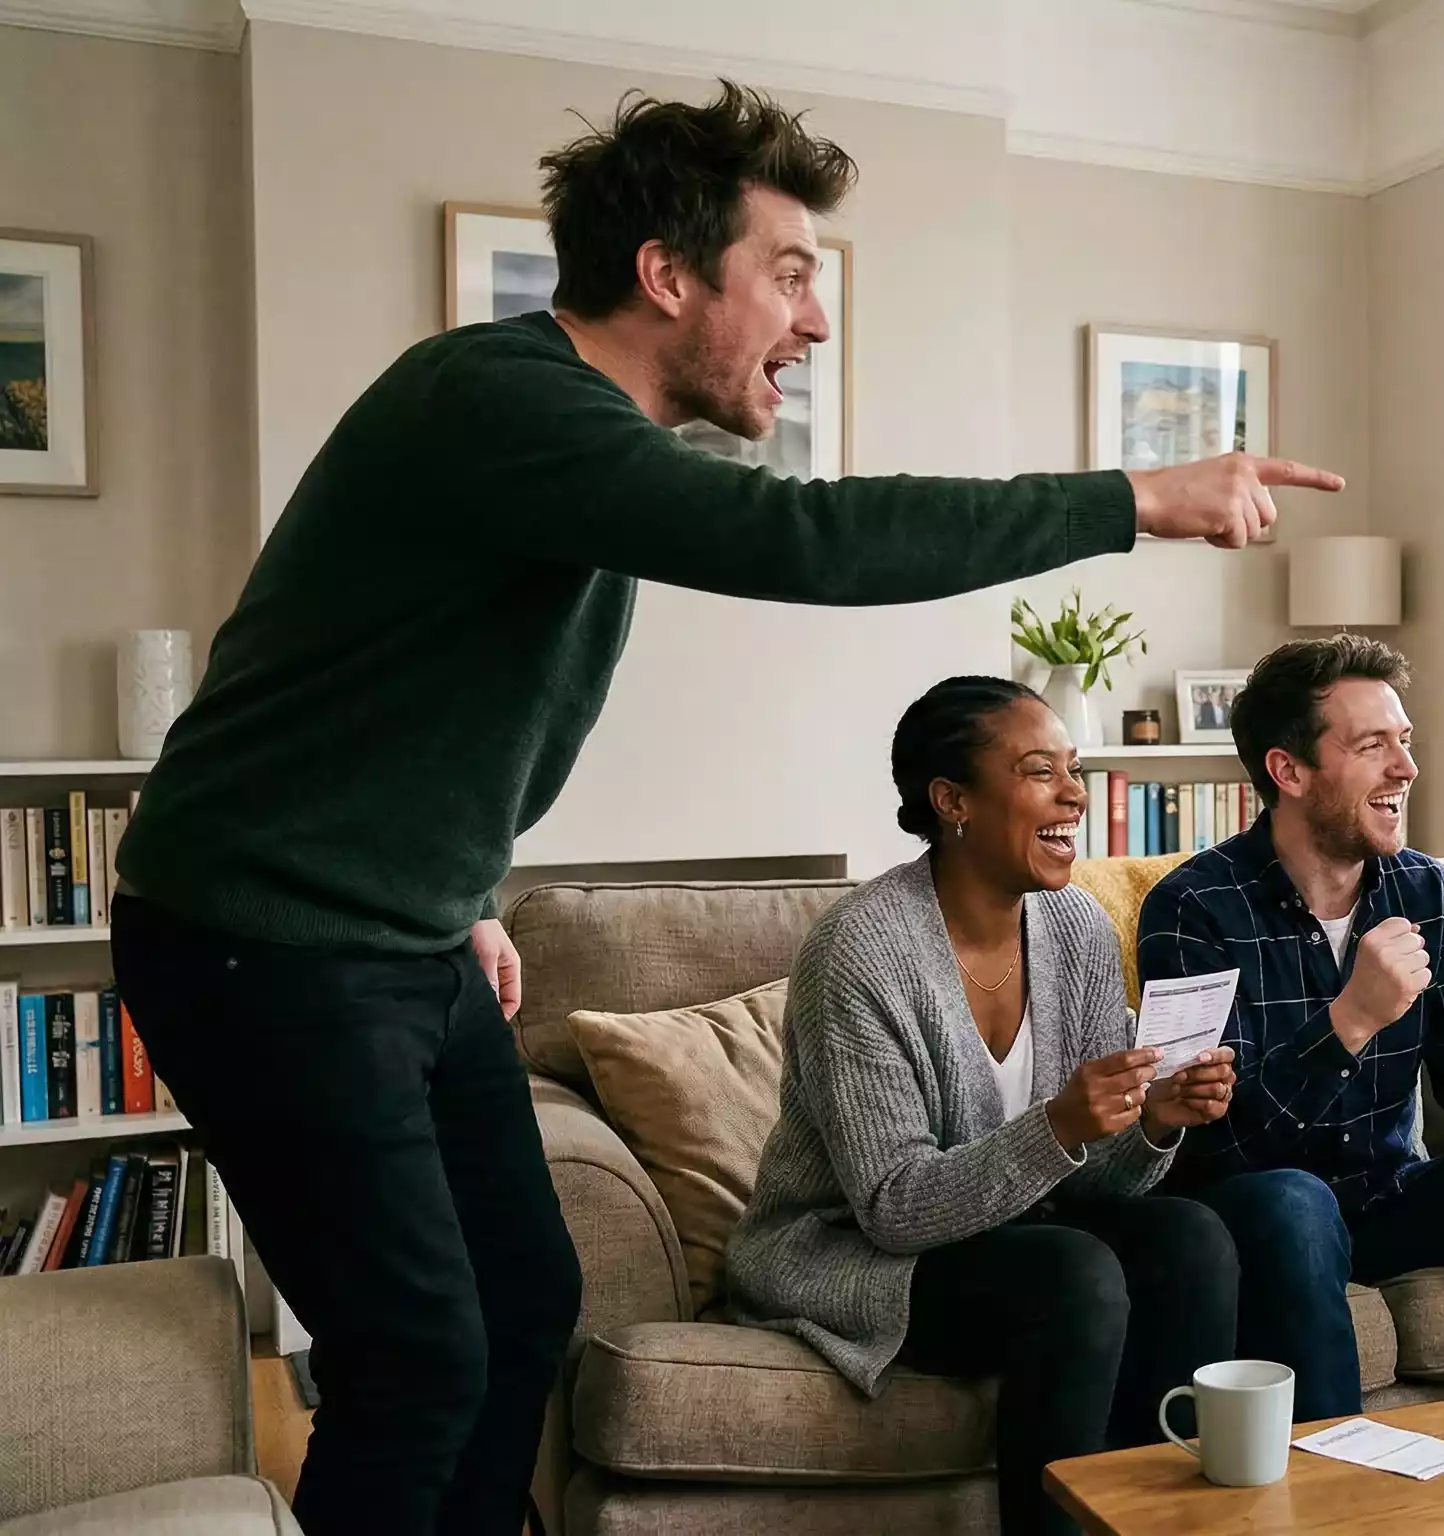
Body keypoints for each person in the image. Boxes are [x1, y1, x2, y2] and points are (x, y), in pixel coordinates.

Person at [104, 83, 1335, 1534]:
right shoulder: (503, 402)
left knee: (528, 1297)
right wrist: (1131, 496)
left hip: (396, 937)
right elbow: (799, 533)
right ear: (667, 275)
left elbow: (417, 696)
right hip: (261, 937)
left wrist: (460, 897)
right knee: (418, 1356)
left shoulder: (569, 449)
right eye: (791, 274)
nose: (812, 323)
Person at [724, 679, 1239, 1536]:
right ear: (953, 800)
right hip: (859, 1253)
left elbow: (1091, 1181)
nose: (1076, 792)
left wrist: (1152, 1122)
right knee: (1072, 1276)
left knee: (1193, 1239)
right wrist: (1062, 1125)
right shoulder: (860, 951)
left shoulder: (1074, 925)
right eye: (1042, 772)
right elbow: (893, 1209)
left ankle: (1165, 1524)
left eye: (1074, 770)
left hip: (1013, 1232)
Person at [1139, 636, 1444, 1423]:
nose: (1406, 768)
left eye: (1405, 742)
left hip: (1387, 1196)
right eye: (1372, 746)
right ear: (1288, 771)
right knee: (1293, 1203)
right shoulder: (1195, 907)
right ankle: (1339, 1488)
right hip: (1256, 1211)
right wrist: (1351, 1018)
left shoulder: (1425, 891)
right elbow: (1216, 1142)